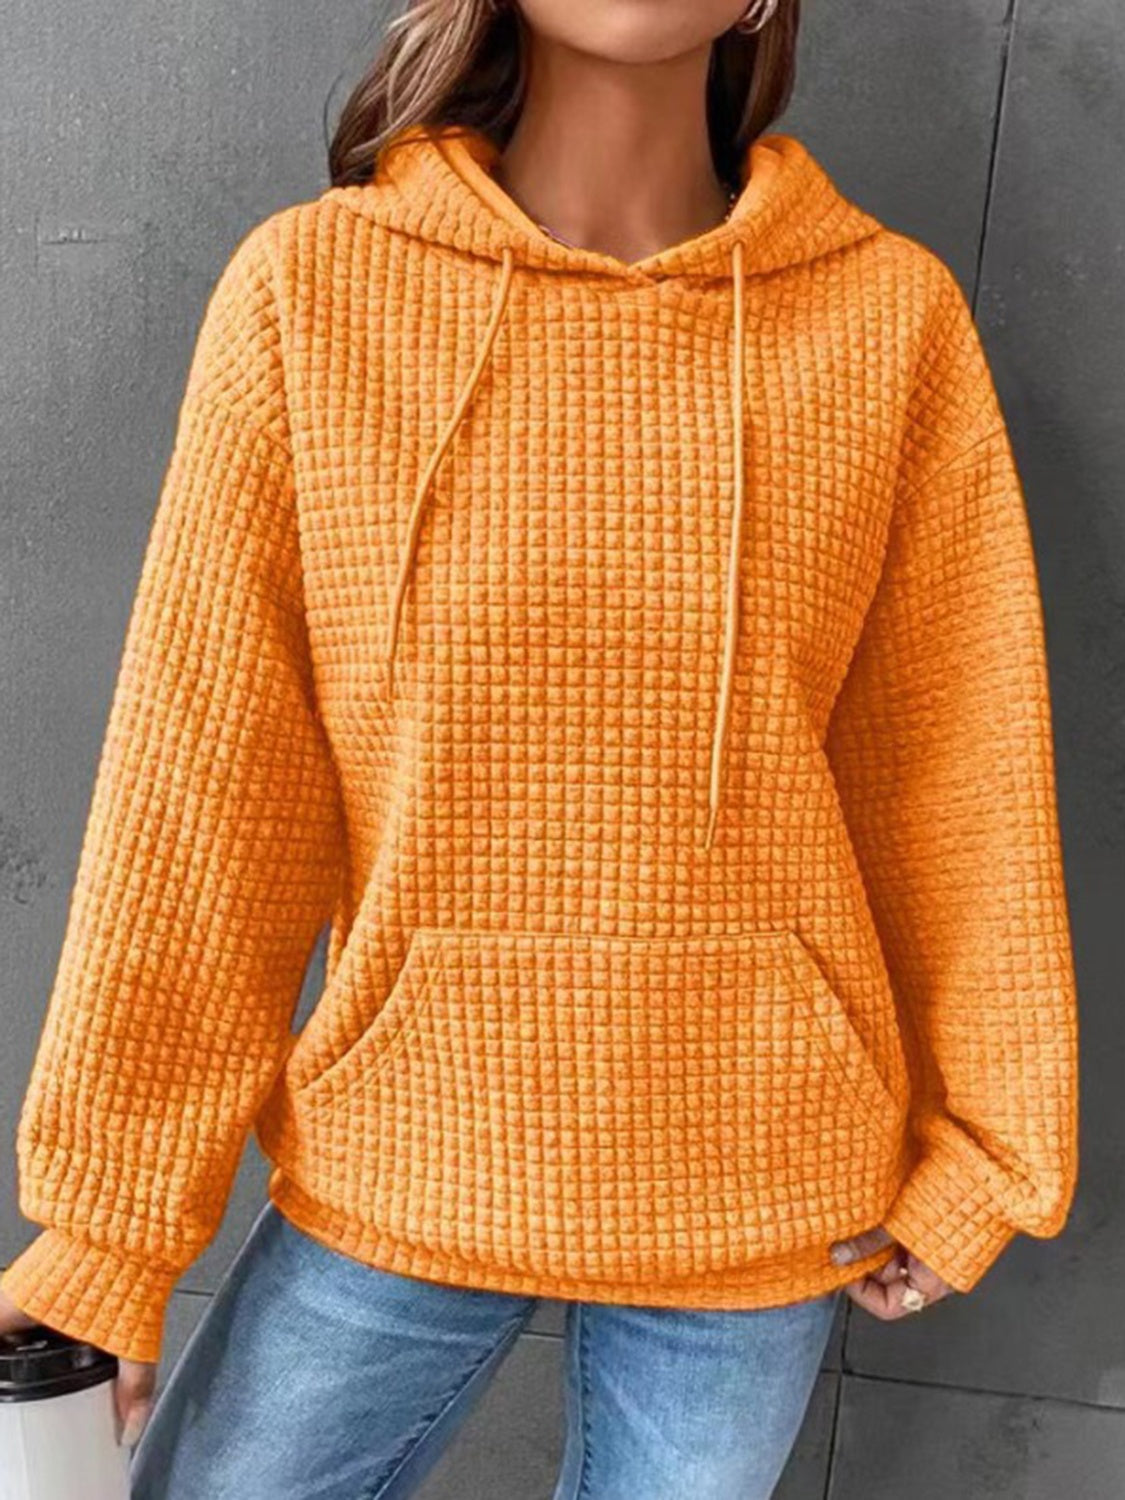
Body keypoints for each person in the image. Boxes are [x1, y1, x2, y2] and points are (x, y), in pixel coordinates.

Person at [0, 0, 1080, 1495]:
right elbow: (206, 786)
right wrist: (109, 1227)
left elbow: (955, 763)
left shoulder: (885, 319)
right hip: (409, 1149)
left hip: (758, 1173)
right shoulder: (314, 294)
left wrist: (988, 1150)